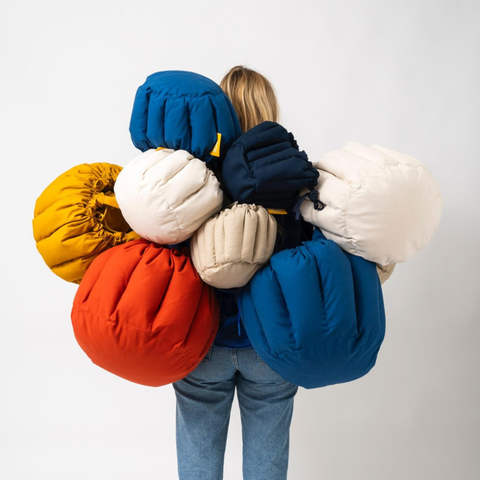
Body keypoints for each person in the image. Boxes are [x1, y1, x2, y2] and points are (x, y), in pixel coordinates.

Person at [172, 66, 300, 480]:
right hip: (270, 347)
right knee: (267, 464)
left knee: (197, 461)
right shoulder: (293, 179)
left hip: (205, 344)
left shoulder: (194, 180)